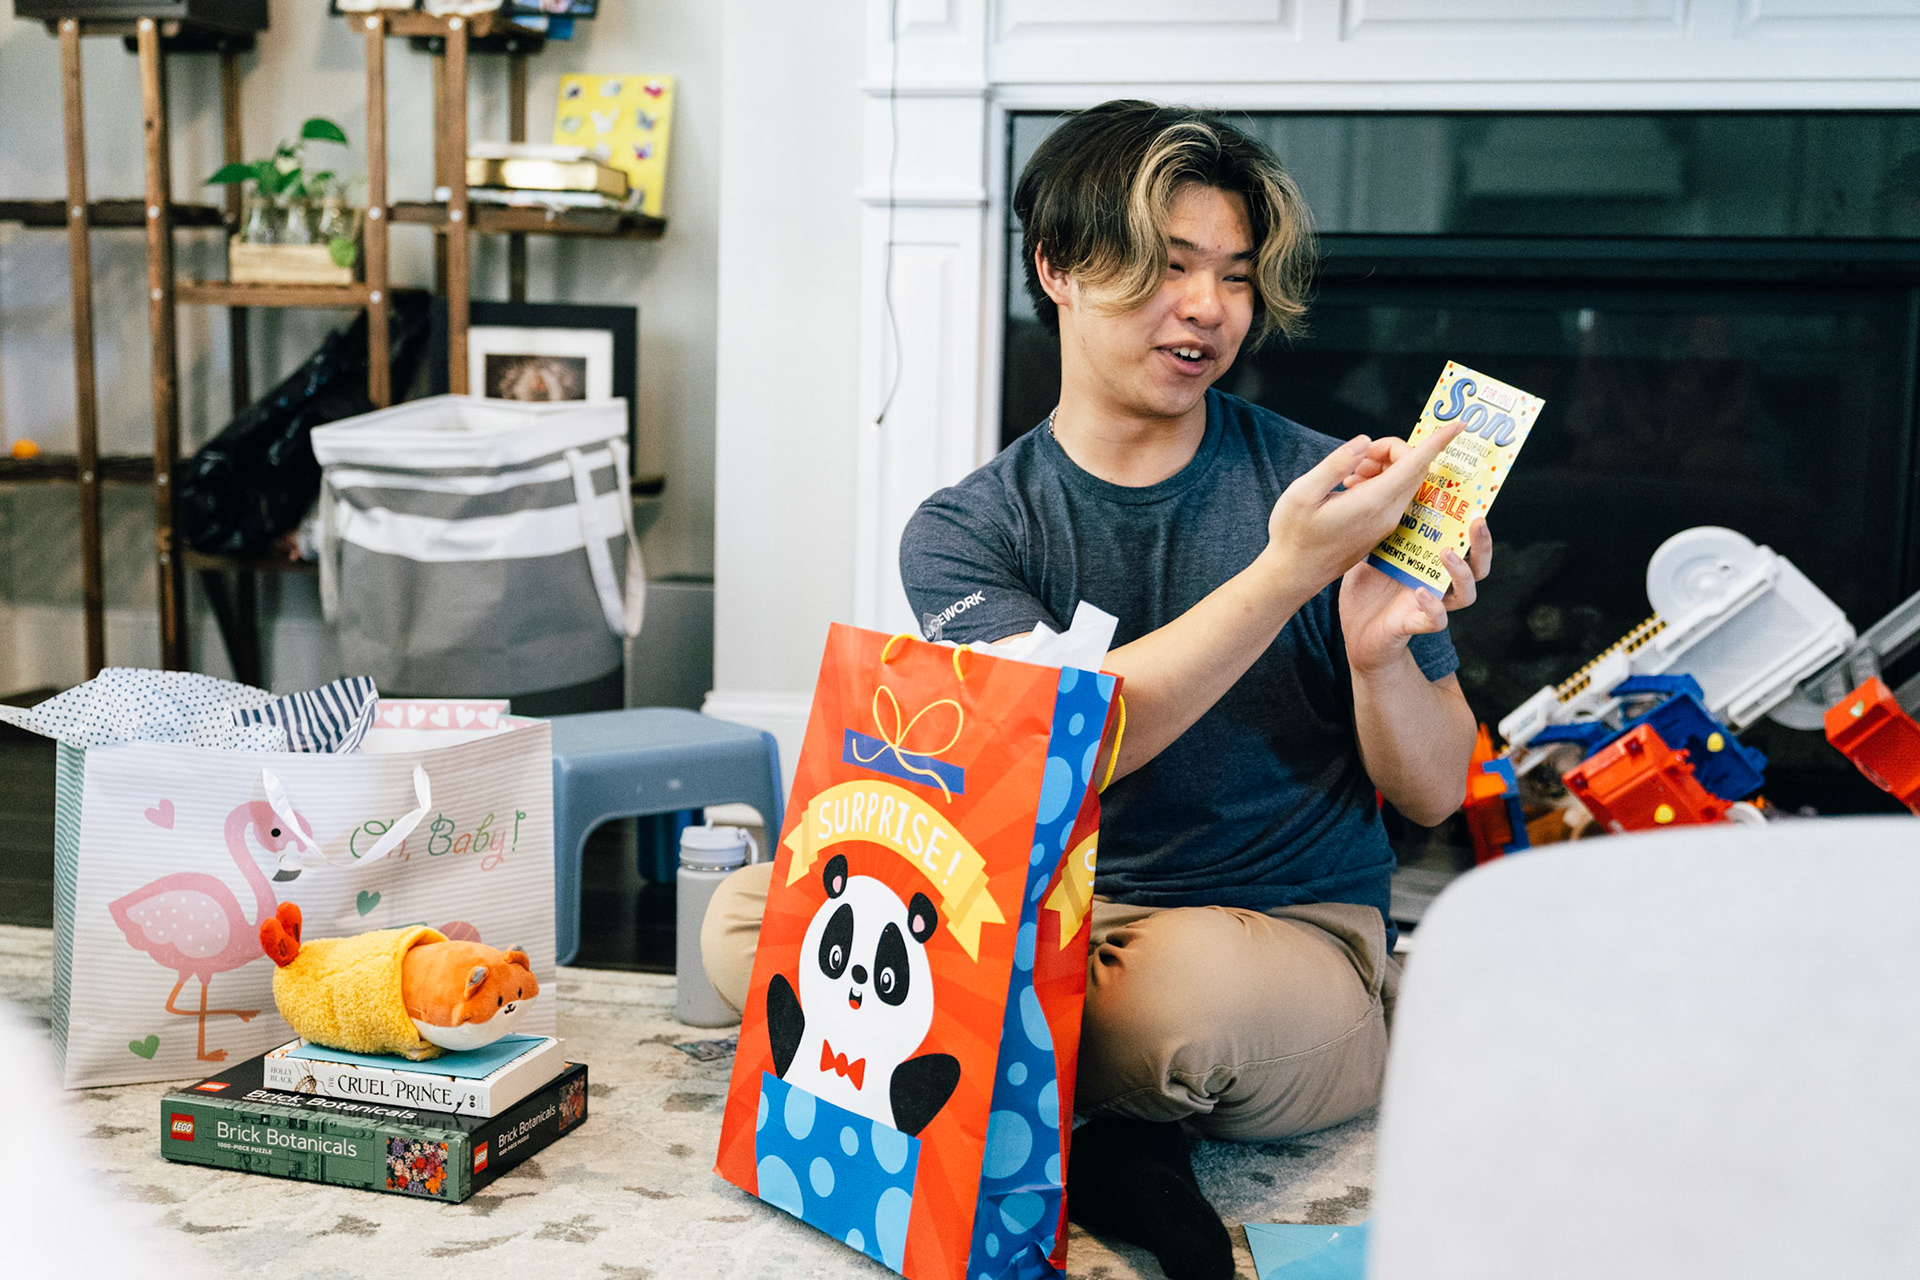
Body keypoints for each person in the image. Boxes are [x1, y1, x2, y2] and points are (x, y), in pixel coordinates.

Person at [702, 100, 1488, 1280]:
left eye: (1234, 275)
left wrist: (1378, 654)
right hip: (1042, 914)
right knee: (743, 918)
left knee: (1176, 1011)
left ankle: (1014, 1082)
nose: (1210, 307)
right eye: (1169, 266)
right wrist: (1287, 572)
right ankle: (1109, 1125)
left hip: (1273, 936)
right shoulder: (968, 529)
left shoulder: (1326, 495)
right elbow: (1066, 748)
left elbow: (1433, 793)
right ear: (1058, 268)